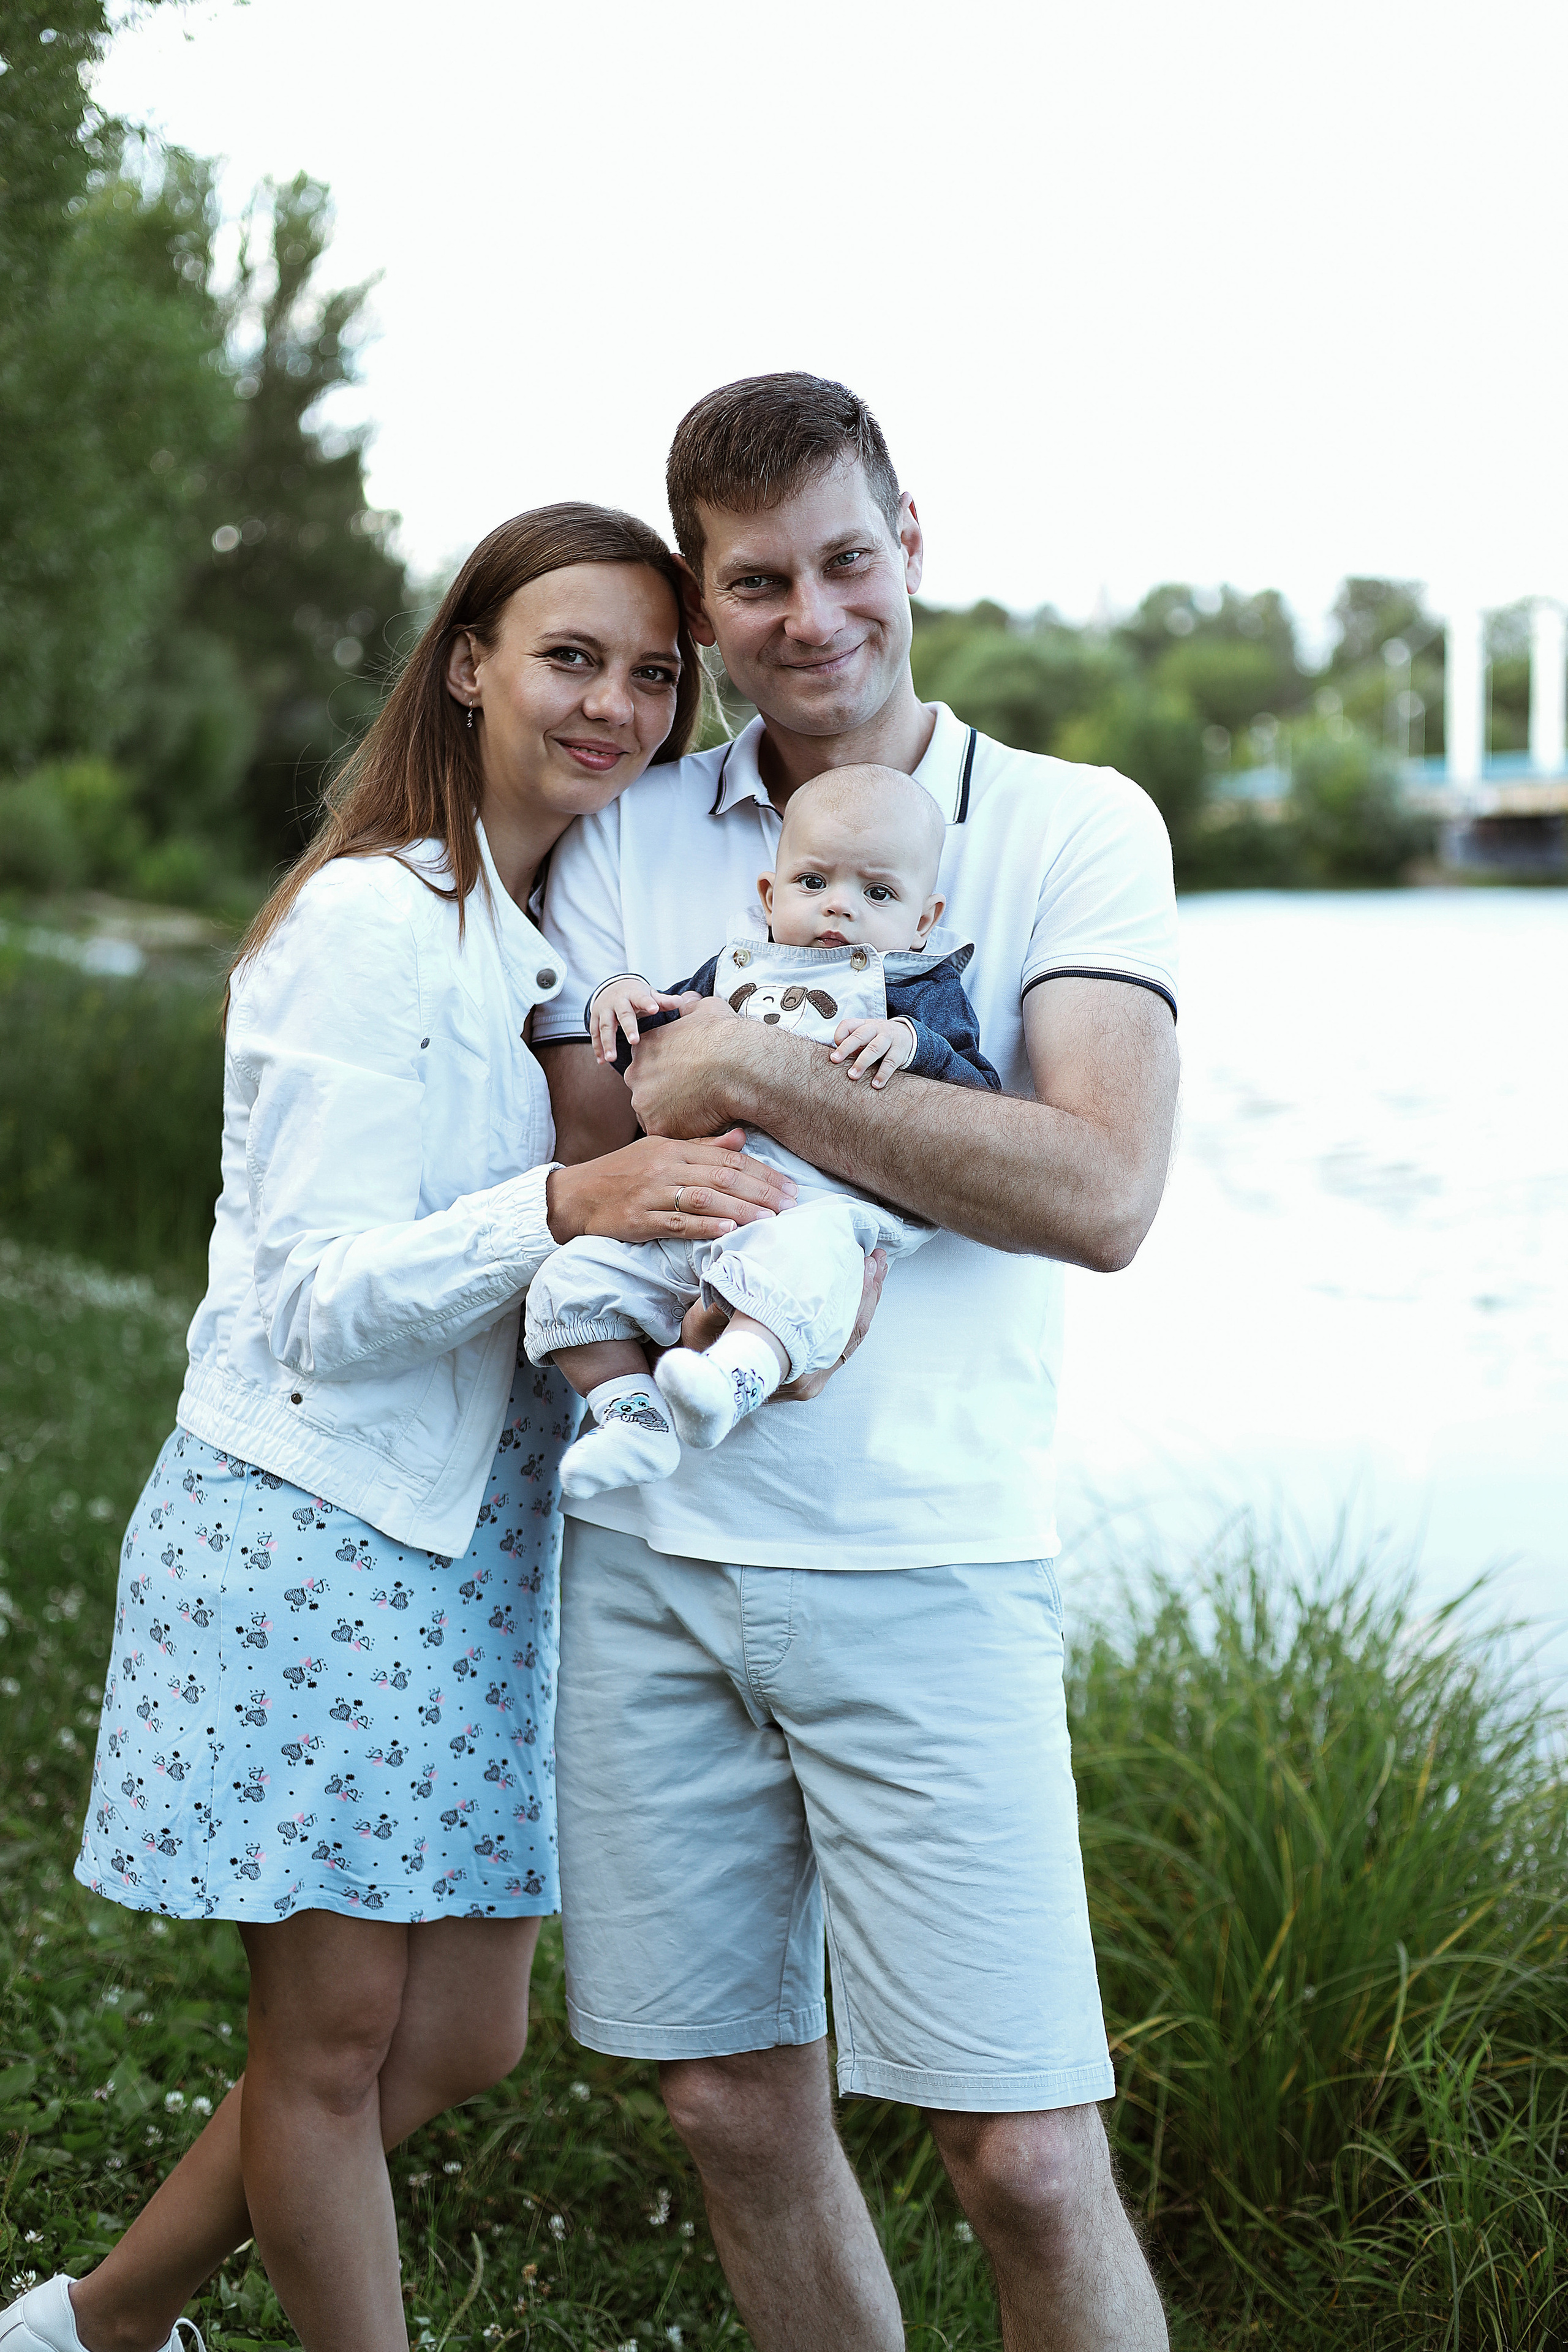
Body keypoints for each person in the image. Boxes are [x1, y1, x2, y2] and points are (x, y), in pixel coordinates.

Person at [0, 504, 794, 2352]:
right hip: (320, 1521)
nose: (613, 702)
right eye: (569, 655)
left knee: (459, 2033)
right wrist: (575, 1208)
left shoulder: (548, 946)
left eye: (653, 674)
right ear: (466, 663)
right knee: (337, 2040)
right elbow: (318, 1297)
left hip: (482, 1543)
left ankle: (99, 2321)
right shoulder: (376, 918)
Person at [534, 376, 1182, 2352]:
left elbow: (1100, 1184)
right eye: (756, 582)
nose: (810, 616)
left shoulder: (1072, 827)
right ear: (704, 603)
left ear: (913, 544)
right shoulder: (632, 838)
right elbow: (580, 1164)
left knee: (1028, 2160)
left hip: (931, 1573)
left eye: (843, 559)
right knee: (732, 2103)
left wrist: (749, 1072)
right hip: (654, 1568)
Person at [526, 760, 1001, 1496]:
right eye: (813, 883)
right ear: (769, 894)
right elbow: (651, 1045)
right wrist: (623, 994)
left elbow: (977, 1094)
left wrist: (914, 1043)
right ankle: (633, 1421)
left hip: (814, 1214)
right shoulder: (735, 970)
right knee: (569, 1280)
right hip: (694, 1215)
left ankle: (733, 1378)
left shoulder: (917, 989)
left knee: (806, 1260)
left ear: (923, 921)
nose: (838, 908)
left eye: (876, 893)